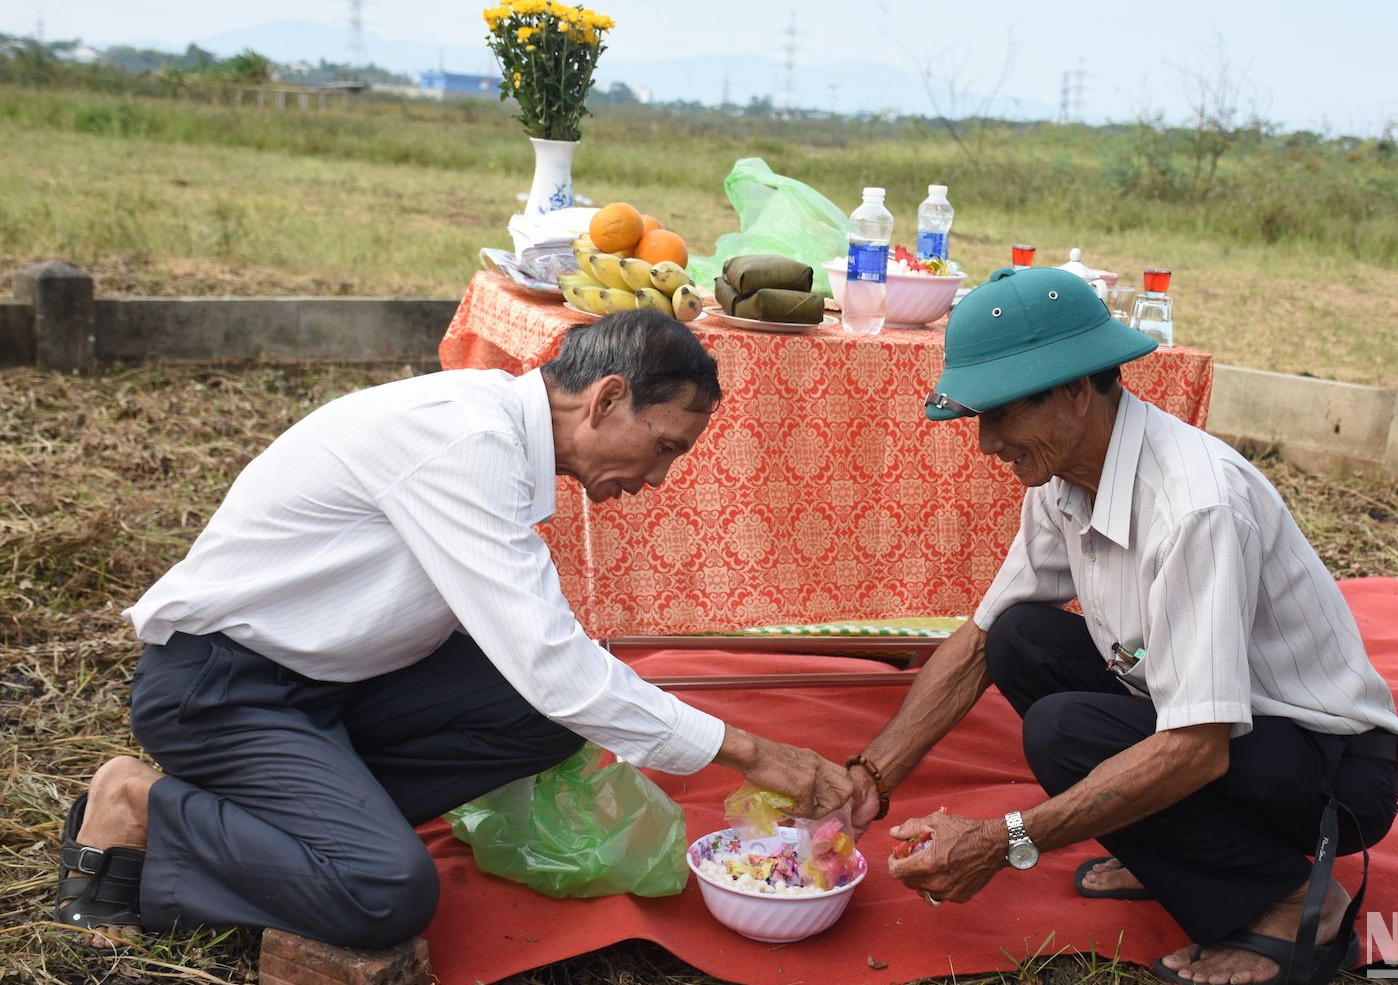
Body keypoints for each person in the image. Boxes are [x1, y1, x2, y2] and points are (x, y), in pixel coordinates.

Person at [55, 310, 855, 949]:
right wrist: (752, 752)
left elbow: (546, 672)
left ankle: (309, 822)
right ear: (608, 398)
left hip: (328, 684)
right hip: (222, 690)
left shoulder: (492, 432)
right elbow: (554, 664)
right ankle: (143, 807)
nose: (656, 480)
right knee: (386, 895)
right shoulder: (466, 441)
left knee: (537, 714)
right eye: (664, 448)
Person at [841, 268, 1398, 985]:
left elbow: (1198, 749)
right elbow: (983, 638)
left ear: (1076, 392)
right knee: (1020, 637)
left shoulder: (1195, 506)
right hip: (1224, 730)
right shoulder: (1065, 471)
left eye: (1002, 414)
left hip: (1326, 770)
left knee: (1063, 732)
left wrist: (1003, 841)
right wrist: (872, 777)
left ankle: (1293, 900)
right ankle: (1177, 845)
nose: (987, 443)